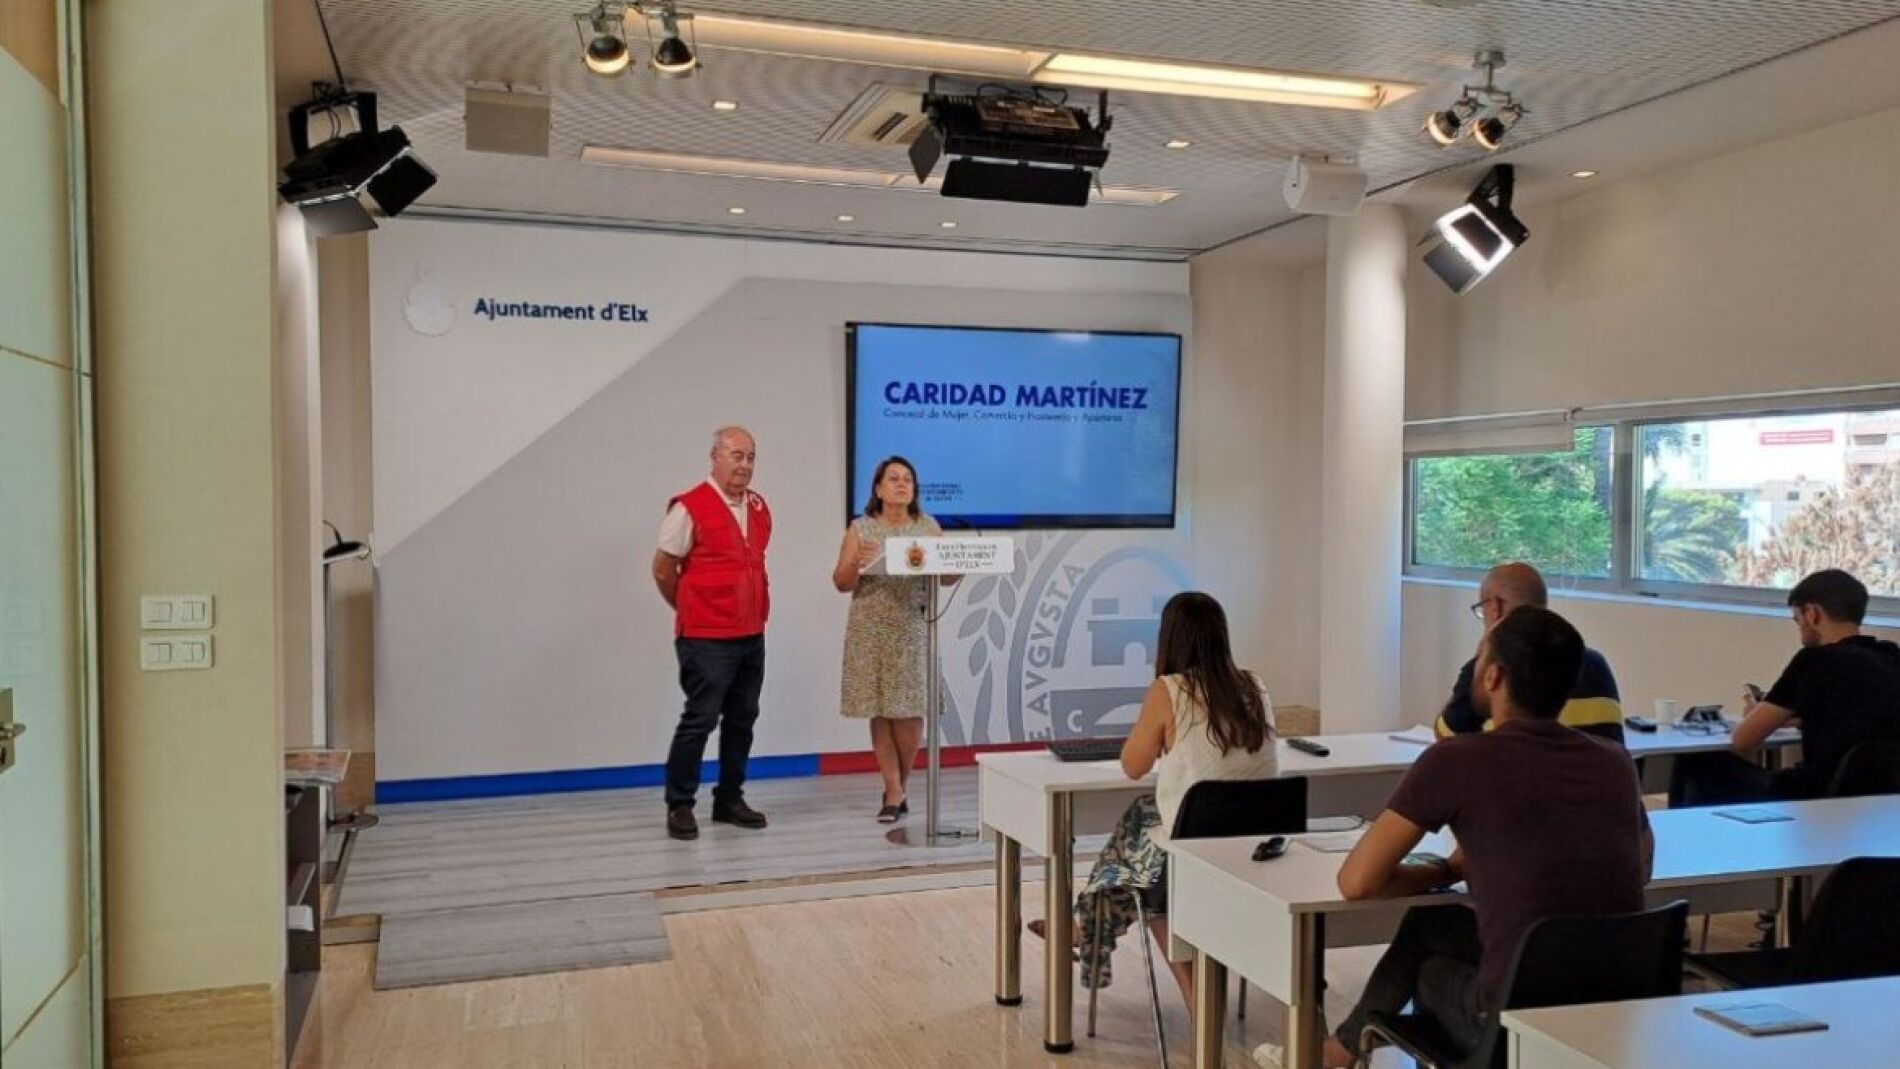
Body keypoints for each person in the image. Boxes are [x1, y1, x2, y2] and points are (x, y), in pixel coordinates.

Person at [1323, 606, 1653, 1069]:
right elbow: (1643, 867)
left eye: (1479, 657)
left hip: (1512, 1023)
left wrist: (1446, 868)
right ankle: (1339, 1051)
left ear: (1493, 676)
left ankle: (1335, 1054)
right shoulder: (1615, 762)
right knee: (1431, 924)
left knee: (1429, 970)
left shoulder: (1456, 761)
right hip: (1615, 1012)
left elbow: (1356, 882)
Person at [1031, 592, 1277, 1007]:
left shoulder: (1169, 690)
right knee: (1143, 819)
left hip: (1196, 850)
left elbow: (1132, 765)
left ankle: (1196, 1004)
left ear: (1169, 640)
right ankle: (1086, 924)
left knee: (1144, 861)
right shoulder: (1254, 685)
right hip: (1257, 846)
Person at [1669, 569, 1900, 807]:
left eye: (1797, 619)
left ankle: (1678, 830)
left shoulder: (1814, 660)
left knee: (1695, 761)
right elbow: (1858, 718)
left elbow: (1743, 740)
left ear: (1811, 613)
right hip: (1881, 801)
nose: (1799, 627)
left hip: (1814, 796)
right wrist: (1799, 719)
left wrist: (1755, 714)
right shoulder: (1891, 656)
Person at [651, 426, 771, 841]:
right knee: (700, 719)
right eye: (736, 455)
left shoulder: (758, 507)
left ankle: (729, 798)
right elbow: (663, 570)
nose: (745, 465)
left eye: (751, 457)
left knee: (743, 719)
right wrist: (691, 608)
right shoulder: (690, 507)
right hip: (705, 637)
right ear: (715, 457)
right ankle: (680, 803)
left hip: (750, 634)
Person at [831, 456, 958, 822]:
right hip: (870, 627)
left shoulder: (928, 527)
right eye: (894, 478)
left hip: (912, 627)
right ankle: (893, 790)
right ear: (878, 488)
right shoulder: (861, 528)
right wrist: (857, 562)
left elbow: (947, 577)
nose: (902, 484)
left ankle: (898, 786)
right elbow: (841, 583)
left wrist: (961, 564)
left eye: (908, 479)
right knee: (881, 708)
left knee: (908, 710)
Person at [1436, 562, 1624, 743]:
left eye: (1482, 609)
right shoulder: (1596, 665)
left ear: (1495, 607)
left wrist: (1480, 660)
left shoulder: (1491, 669)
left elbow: (1447, 737)